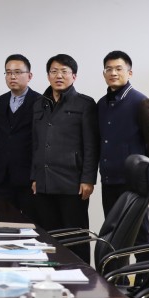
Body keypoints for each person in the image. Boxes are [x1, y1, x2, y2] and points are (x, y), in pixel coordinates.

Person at [32, 54, 99, 263]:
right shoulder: (39, 104)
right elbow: (35, 143)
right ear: (48, 76)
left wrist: (88, 179)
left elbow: (91, 145)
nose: (58, 76)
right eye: (54, 71)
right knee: (47, 236)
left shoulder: (85, 104)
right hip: (44, 182)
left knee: (75, 237)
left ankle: (82, 276)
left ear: (74, 76)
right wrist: (34, 176)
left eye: (64, 71)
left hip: (73, 183)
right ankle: (51, 274)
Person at [98, 50, 149, 262]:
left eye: (119, 68)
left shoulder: (141, 102)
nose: (113, 73)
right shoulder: (102, 104)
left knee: (140, 236)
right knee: (113, 236)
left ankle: (148, 278)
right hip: (109, 181)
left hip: (133, 184)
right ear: (104, 73)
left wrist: (144, 175)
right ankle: (118, 278)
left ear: (130, 72)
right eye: (109, 69)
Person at [0, 54, 40, 218]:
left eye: (18, 72)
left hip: (28, 176)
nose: (12, 76)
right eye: (8, 72)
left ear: (29, 76)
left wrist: (37, 175)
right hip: (3, 174)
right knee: (1, 221)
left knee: (29, 223)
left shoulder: (40, 102)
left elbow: (41, 141)